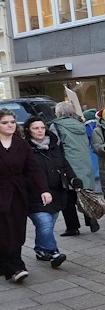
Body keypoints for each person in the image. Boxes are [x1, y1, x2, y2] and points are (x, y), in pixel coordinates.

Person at [0, 109, 50, 283]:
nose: (9, 126)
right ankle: (16, 267)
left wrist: (44, 189)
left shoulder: (21, 144)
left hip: (18, 193)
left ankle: (10, 264)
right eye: (5, 123)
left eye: (12, 122)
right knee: (4, 231)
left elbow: (33, 168)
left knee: (17, 229)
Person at [24, 117, 80, 268]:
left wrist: (73, 178)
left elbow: (64, 164)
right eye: (35, 128)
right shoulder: (24, 149)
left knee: (46, 227)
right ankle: (54, 252)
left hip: (56, 194)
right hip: (35, 195)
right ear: (28, 131)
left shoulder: (54, 146)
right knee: (45, 223)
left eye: (42, 128)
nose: (40, 131)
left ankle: (41, 249)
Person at [51, 102, 98, 236]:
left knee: (68, 198)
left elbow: (55, 145)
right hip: (84, 163)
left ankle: (72, 227)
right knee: (85, 192)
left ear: (58, 112)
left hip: (69, 165)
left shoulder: (57, 126)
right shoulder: (80, 124)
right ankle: (90, 217)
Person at [83, 109, 100, 186]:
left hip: (91, 150)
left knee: (93, 169)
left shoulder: (87, 127)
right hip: (99, 149)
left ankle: (96, 188)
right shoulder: (99, 125)